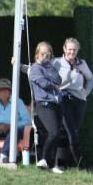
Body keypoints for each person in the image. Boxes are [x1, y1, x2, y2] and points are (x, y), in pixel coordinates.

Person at [55, 37, 93, 168]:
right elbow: (39, 69)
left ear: (77, 51)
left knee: (72, 131)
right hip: (64, 97)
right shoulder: (57, 62)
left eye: (74, 49)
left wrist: (86, 92)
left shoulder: (82, 63)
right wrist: (20, 66)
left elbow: (91, 78)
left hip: (79, 101)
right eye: (69, 49)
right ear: (64, 49)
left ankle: (64, 163)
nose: (72, 52)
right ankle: (81, 165)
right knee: (71, 131)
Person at [28, 41, 64, 172]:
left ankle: (53, 165)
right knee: (53, 132)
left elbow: (59, 80)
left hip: (56, 103)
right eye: (43, 54)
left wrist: (49, 67)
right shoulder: (35, 68)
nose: (45, 57)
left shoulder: (50, 67)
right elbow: (43, 83)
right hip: (43, 104)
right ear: (37, 55)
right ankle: (43, 159)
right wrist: (54, 85)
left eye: (48, 55)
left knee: (56, 134)